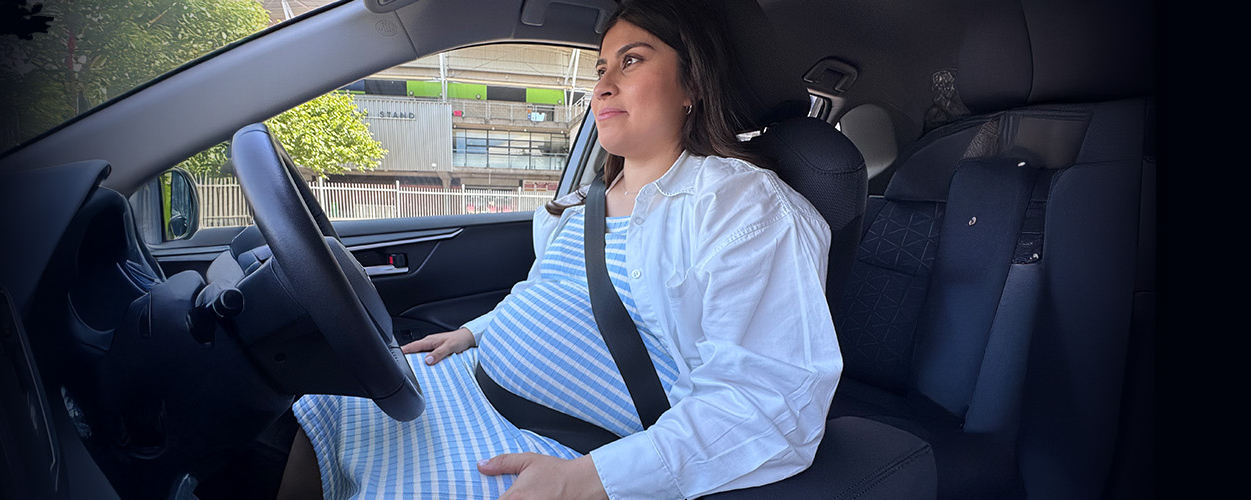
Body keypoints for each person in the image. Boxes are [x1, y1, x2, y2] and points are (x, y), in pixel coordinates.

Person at [280, 1, 841, 498]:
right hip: (468, 379)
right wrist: (475, 333)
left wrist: (587, 480)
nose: (602, 87)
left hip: (562, 449)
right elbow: (548, 292)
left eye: (632, 61)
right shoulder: (581, 202)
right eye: (601, 68)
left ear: (692, 84)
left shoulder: (743, 206)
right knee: (329, 404)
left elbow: (768, 402)